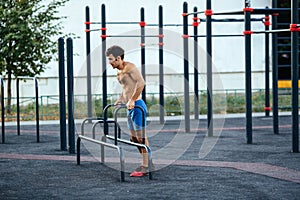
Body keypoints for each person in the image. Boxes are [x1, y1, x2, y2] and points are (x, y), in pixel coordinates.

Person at [106, 45, 153, 177]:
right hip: (129, 107)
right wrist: (121, 99)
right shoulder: (119, 71)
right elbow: (126, 87)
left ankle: (146, 166)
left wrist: (132, 100)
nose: (109, 62)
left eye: (111, 59)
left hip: (137, 105)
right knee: (133, 138)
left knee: (141, 137)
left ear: (118, 58)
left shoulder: (130, 67)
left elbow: (141, 83)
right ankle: (148, 162)